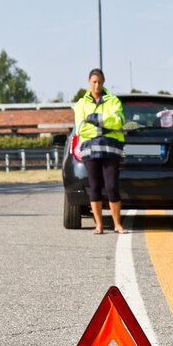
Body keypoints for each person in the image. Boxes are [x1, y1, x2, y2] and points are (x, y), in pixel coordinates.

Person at [74, 68, 127, 234]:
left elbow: (118, 122)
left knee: (112, 186)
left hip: (111, 149)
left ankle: (117, 224)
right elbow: (81, 129)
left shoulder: (113, 101)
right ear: (89, 82)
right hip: (90, 150)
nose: (97, 85)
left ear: (103, 83)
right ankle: (99, 225)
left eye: (100, 82)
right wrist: (105, 128)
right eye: (94, 82)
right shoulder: (81, 104)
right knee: (95, 186)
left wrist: (92, 118)